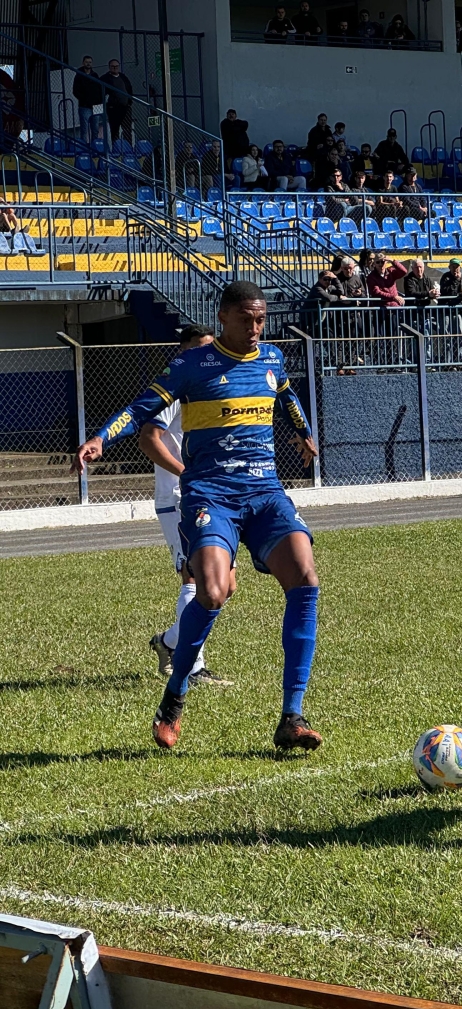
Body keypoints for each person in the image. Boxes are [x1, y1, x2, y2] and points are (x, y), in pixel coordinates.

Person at [72, 282, 322, 752]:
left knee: (306, 578)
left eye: (261, 319)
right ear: (224, 317)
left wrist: (303, 433)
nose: (255, 328)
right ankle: (174, 698)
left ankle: (293, 715)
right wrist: (102, 437)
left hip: (266, 493)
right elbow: (140, 409)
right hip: (211, 495)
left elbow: (286, 396)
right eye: (247, 319)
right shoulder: (191, 366)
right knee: (211, 592)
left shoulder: (271, 359)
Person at [142, 324, 233, 690]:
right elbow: (150, 439)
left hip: (210, 495)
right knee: (196, 579)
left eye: (211, 348)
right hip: (179, 498)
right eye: (198, 348)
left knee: (225, 586)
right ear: (183, 352)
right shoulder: (175, 388)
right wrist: (185, 473)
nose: (206, 355)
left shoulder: (208, 385)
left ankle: (168, 643)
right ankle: (192, 667)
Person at [100, 58, 133, 148]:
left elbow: (129, 88)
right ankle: (116, 148)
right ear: (109, 67)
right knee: (115, 129)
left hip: (126, 107)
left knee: (127, 129)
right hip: (113, 108)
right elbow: (101, 92)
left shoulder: (123, 77)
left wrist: (130, 102)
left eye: (116, 66)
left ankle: (128, 148)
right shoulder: (105, 78)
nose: (115, 68)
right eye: (113, 66)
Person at [72, 56, 103, 146]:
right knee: (84, 129)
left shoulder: (95, 75)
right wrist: (84, 100)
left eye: (90, 62)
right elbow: (75, 91)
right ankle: (84, 147)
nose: (88, 64)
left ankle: (95, 146)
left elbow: (100, 89)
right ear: (83, 63)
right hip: (84, 106)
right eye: (86, 62)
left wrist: (100, 101)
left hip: (96, 106)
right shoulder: (79, 75)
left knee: (95, 129)